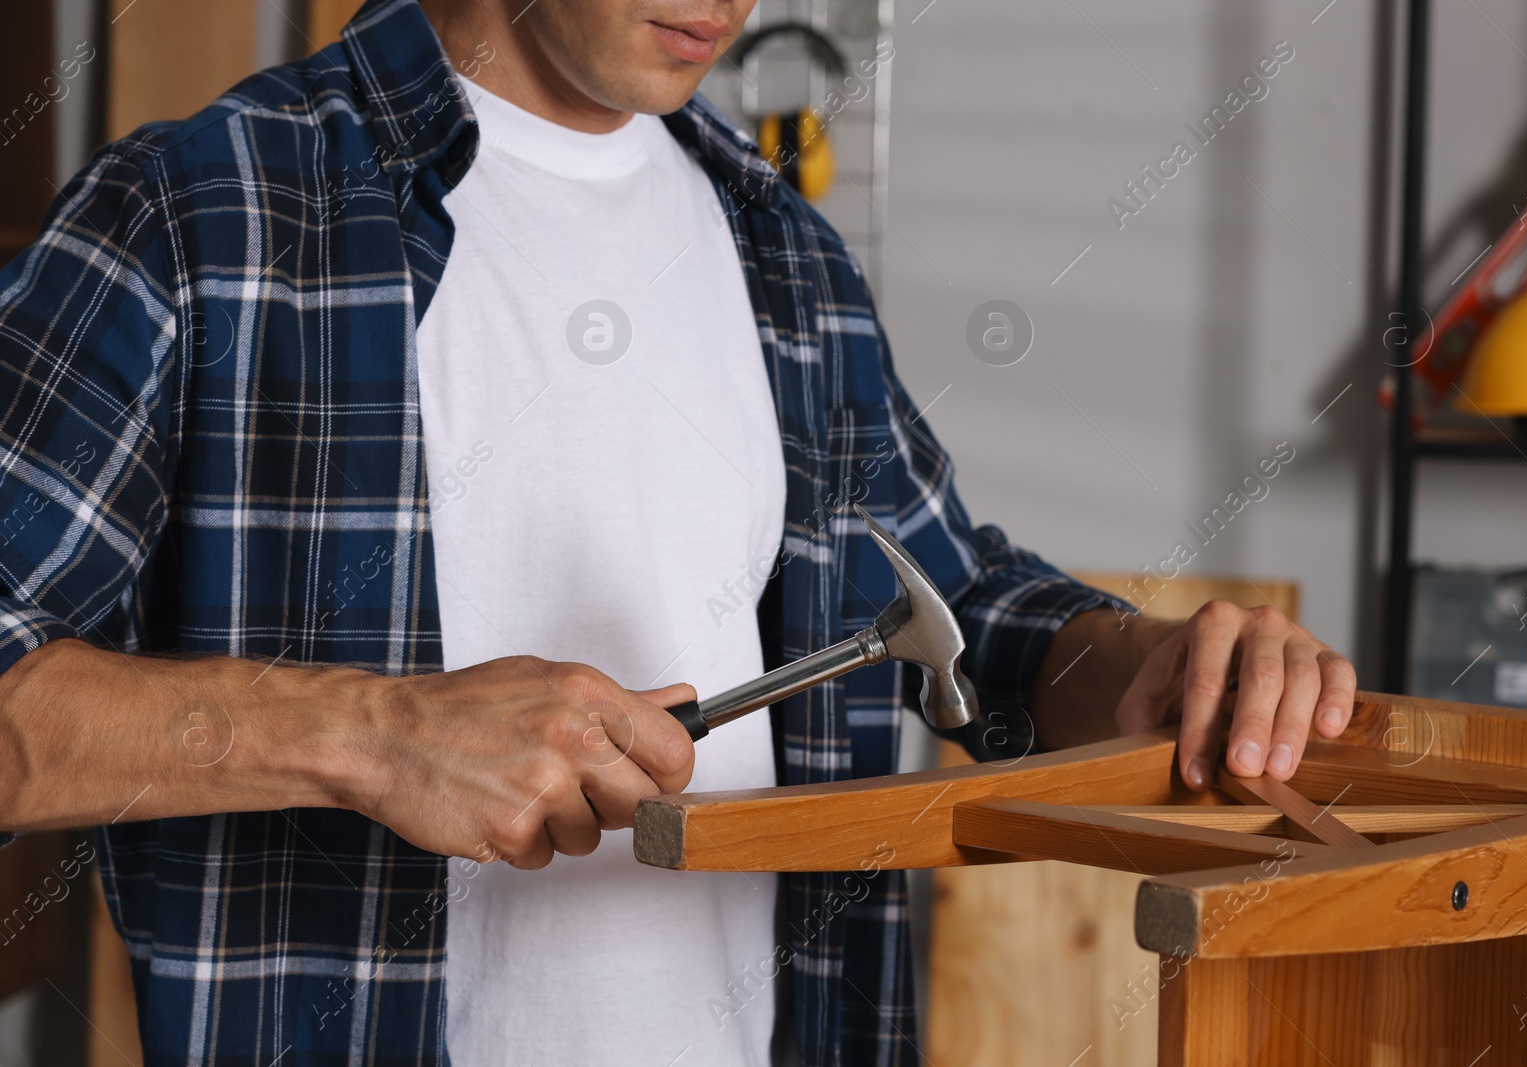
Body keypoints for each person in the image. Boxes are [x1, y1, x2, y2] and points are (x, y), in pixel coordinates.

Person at [0, 0, 1355, 1063]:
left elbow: (963, 612)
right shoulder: (205, 214)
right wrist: (376, 737)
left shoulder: (782, 250)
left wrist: (1141, 666)